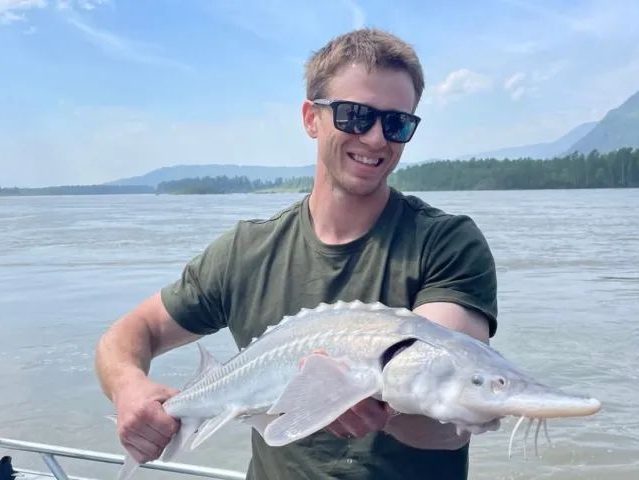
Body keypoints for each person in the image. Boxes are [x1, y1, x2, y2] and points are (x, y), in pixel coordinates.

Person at [95, 28, 497, 480]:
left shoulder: (446, 243)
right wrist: (129, 388)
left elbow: (448, 410)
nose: (376, 139)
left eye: (396, 123)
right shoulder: (246, 252)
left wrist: (376, 407)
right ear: (311, 119)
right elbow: (131, 332)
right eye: (355, 115)